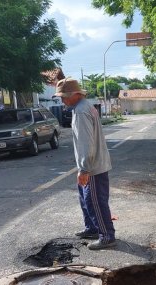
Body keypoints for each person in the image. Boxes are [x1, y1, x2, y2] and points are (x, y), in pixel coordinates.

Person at [54, 78, 117, 250]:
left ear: (75, 95)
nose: (62, 100)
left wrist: (84, 169)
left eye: (64, 97)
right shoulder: (81, 108)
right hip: (92, 164)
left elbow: (86, 143)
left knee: (95, 201)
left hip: (93, 167)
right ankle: (92, 228)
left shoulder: (81, 112)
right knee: (85, 198)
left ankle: (107, 236)